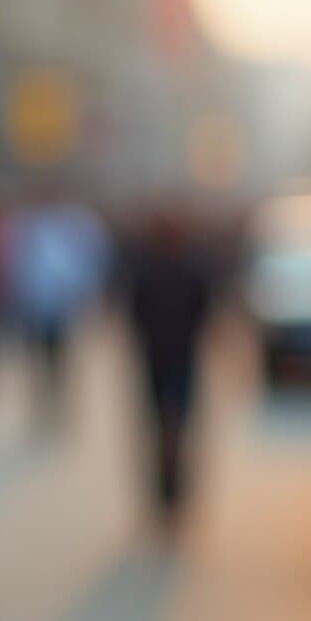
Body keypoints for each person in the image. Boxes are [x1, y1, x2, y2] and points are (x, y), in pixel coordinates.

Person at [124, 206, 215, 518]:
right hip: (179, 358)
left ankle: (166, 492)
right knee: (176, 426)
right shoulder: (189, 271)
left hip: (159, 358)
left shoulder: (148, 273)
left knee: (161, 426)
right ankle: (173, 491)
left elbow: (134, 318)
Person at [0, 189, 109, 429]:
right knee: (38, 360)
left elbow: (87, 265)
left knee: (60, 359)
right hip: (34, 307)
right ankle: (43, 403)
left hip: (61, 306)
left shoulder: (73, 226)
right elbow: (15, 267)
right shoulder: (26, 226)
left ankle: (58, 402)